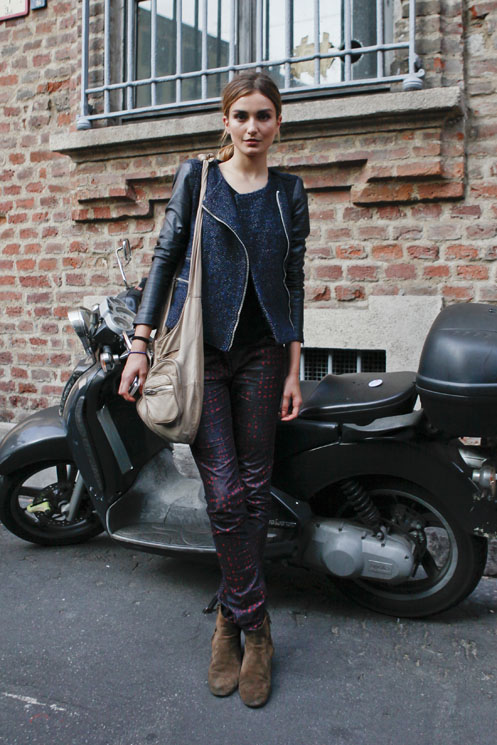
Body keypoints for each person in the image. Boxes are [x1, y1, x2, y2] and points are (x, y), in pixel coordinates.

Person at [118, 70, 309, 707]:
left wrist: (294, 367)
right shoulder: (197, 179)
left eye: (264, 116)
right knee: (225, 495)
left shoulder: (289, 192)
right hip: (199, 356)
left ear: (278, 123)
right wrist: (140, 342)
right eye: (241, 116)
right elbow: (165, 258)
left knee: (253, 492)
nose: (252, 127)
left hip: (263, 357)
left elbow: (293, 279)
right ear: (224, 121)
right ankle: (257, 625)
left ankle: (230, 619)